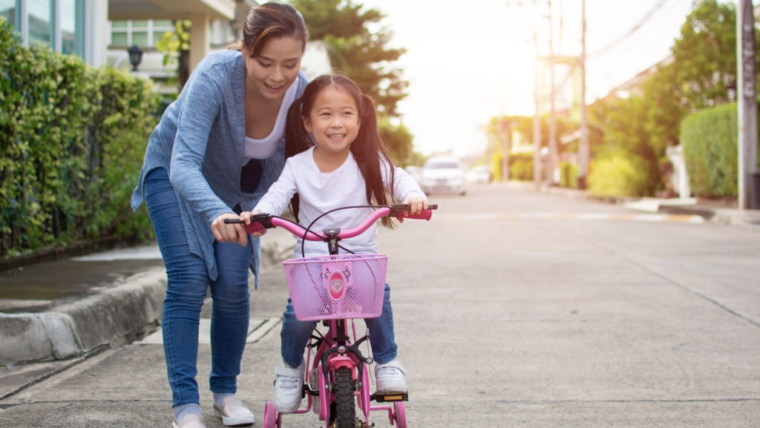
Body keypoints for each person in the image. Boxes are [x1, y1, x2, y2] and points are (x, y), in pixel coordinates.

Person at [129, 3, 309, 428]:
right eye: (265, 63)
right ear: (245, 51)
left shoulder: (300, 92)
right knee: (190, 280)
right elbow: (183, 162)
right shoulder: (215, 74)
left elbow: (288, 169)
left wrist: (259, 212)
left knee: (232, 285)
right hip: (174, 179)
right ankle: (185, 406)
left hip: (238, 193)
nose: (278, 76)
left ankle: (225, 394)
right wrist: (213, 210)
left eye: (290, 63)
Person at [239, 74, 429, 413]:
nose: (336, 123)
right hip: (312, 266)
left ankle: (387, 362)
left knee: (378, 304)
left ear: (359, 119)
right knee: (297, 318)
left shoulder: (368, 160)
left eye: (346, 113)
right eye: (325, 114)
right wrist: (259, 215)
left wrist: (412, 196)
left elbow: (398, 177)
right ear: (307, 122)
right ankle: (289, 368)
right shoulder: (297, 166)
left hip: (360, 261)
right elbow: (276, 195)